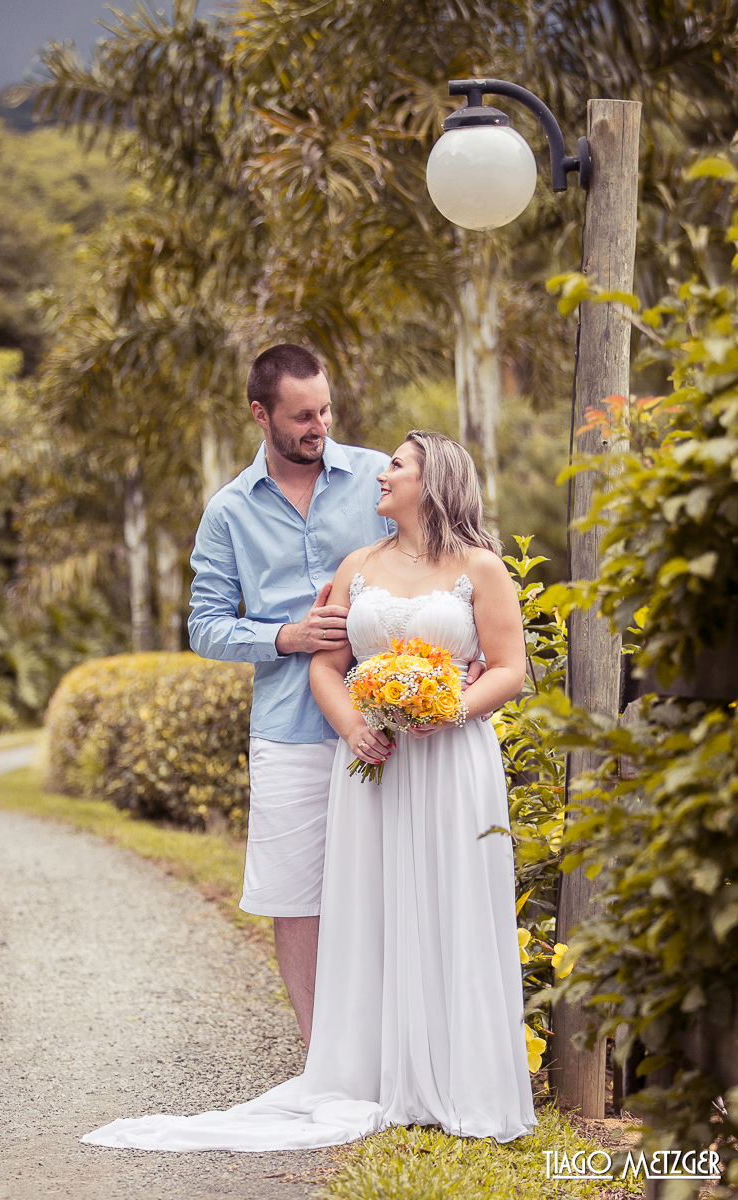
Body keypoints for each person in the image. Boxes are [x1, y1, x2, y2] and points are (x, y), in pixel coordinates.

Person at [82, 429, 536, 1152]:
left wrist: (447, 705)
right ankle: (372, 1070)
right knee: (375, 906)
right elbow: (329, 667)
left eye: (397, 466)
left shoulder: (480, 568)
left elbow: (509, 670)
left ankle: (460, 1078)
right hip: (373, 766)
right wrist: (356, 727)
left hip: (452, 763)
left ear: (434, 481)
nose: (380, 475)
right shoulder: (357, 565)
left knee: (450, 900)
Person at [183, 344, 485, 1046]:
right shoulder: (227, 512)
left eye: (324, 409)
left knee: (391, 885)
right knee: (297, 896)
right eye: (301, 416)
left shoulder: (380, 479)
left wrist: (459, 664)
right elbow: (204, 625)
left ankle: (397, 1047)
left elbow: (438, 566)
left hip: (396, 723)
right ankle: (324, 1055)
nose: (319, 425)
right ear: (261, 414)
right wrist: (286, 635)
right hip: (290, 726)